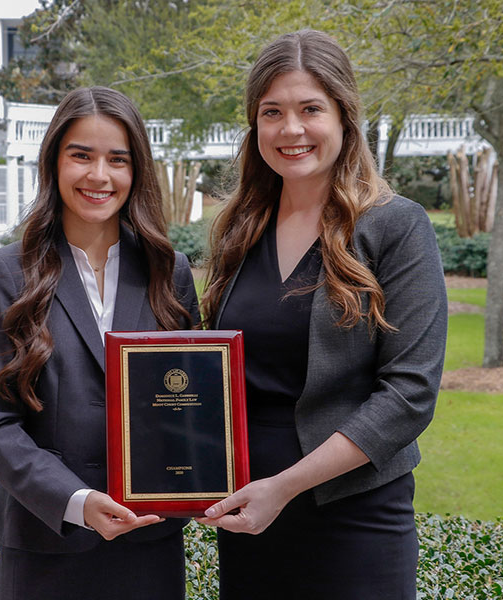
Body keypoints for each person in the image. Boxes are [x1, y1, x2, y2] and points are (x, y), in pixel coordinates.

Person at [197, 30, 448, 599]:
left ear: (344, 117)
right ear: (254, 124)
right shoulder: (241, 229)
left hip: (353, 520)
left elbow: (409, 394)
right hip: (249, 519)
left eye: (311, 109)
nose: (291, 129)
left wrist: (282, 488)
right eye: (272, 112)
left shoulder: (396, 226)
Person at [0, 87, 199, 600]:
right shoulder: (6, 274)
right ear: (54, 163)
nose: (100, 175)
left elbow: (193, 403)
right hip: (46, 546)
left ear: (136, 171)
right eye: (81, 156)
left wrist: (201, 478)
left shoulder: (170, 272)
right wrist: (76, 499)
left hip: (149, 547)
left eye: (118, 159)